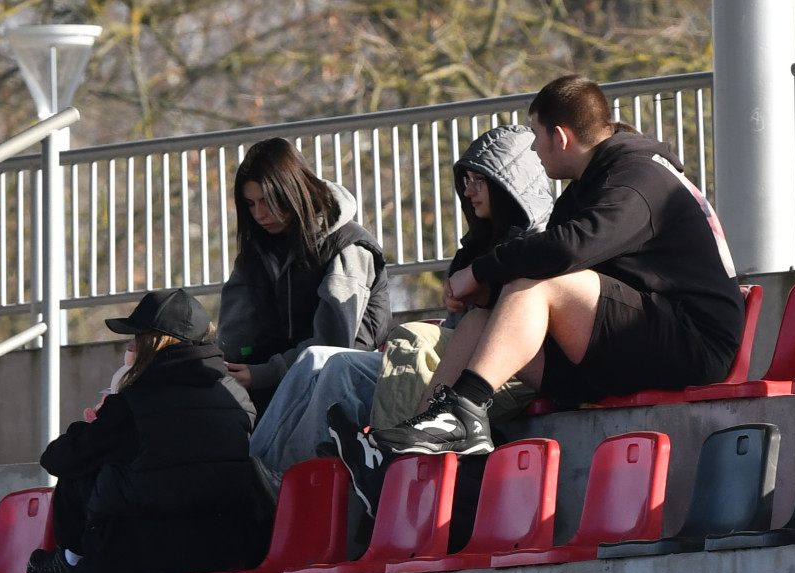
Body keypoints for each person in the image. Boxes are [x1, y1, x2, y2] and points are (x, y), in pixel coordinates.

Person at [372, 74, 744, 457]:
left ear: (561, 137)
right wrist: (489, 291)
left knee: (544, 282)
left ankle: (465, 412)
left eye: (536, 134)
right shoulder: (588, 186)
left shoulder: (638, 178)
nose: (533, 147)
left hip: (693, 345)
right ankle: (422, 438)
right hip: (628, 343)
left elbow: (568, 251)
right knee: (480, 322)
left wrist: (481, 271)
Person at [248, 124, 553, 510]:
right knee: (321, 362)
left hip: (490, 371)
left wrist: (482, 287)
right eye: (466, 181)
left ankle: (330, 479)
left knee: (390, 344)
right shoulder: (476, 246)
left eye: (479, 181)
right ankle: (260, 473)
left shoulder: (540, 245)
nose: (467, 191)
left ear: (510, 185)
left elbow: (514, 322)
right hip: (451, 358)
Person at [26, 288, 265, 573]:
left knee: (85, 470)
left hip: (146, 553)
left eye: (137, 336)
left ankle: (71, 561)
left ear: (153, 342)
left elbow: (58, 458)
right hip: (231, 547)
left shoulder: (136, 400)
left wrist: (96, 422)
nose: (133, 344)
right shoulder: (237, 395)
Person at [217, 137, 392, 417]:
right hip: (278, 384)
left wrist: (263, 373)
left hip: (341, 390)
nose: (259, 214)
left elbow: (333, 348)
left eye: (268, 201)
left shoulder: (348, 247)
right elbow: (234, 336)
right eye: (250, 204)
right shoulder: (259, 252)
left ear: (294, 191)